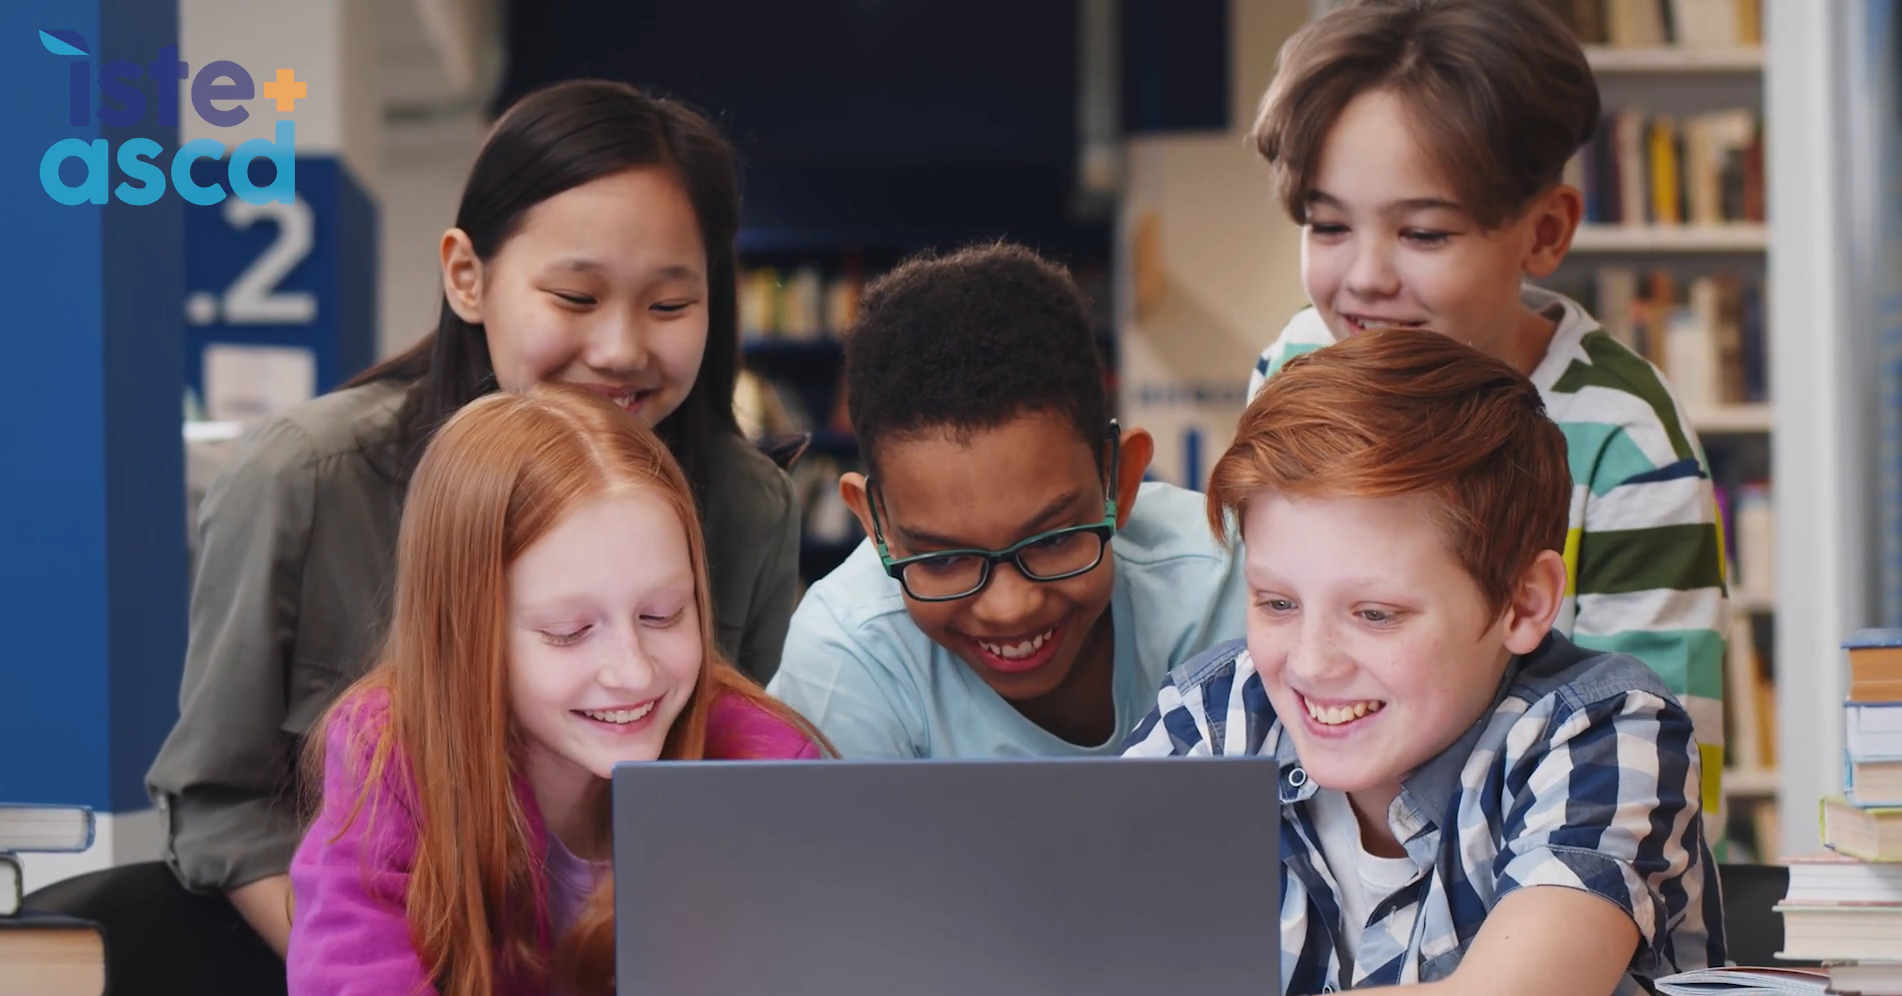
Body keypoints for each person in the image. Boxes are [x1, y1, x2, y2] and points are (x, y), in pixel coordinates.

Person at [146, 79, 802, 955]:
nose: (620, 349)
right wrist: (383, 951)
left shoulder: (749, 504)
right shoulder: (303, 479)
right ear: (467, 276)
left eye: (670, 305)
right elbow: (218, 803)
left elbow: (728, 799)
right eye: (575, 298)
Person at [1126, 329, 1724, 994]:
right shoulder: (1212, 719)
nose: (1311, 662)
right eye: (1276, 603)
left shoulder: (1605, 733)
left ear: (1522, 604)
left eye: (1375, 614)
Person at [1242, 0, 1729, 804]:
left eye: (1424, 234)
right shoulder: (1295, 368)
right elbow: (1266, 669)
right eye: (1328, 225)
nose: (1365, 276)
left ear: (1544, 231)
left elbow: (1660, 760)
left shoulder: (1623, 441)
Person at [287, 384, 828, 996]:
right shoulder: (390, 752)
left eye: (663, 615)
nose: (633, 671)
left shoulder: (763, 762)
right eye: (569, 632)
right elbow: (348, 975)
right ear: (465, 635)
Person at [766, 242, 1247, 758]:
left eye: (1055, 539)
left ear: (1120, 481)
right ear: (873, 521)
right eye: (944, 559)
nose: (1009, 607)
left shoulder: (1235, 584)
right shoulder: (846, 659)